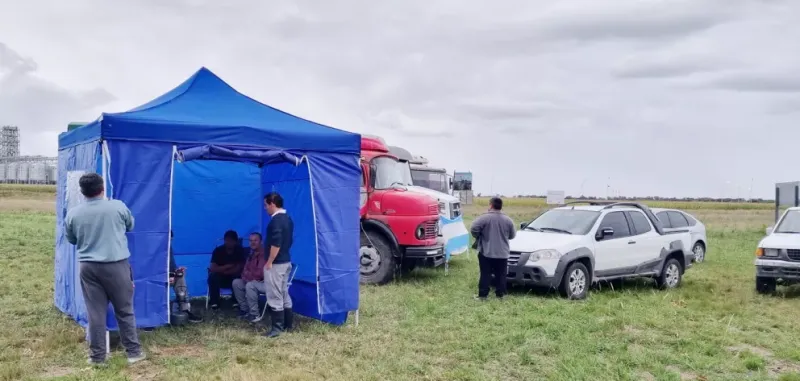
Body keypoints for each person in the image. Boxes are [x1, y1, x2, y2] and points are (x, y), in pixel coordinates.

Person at [64, 173, 145, 366]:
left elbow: (72, 239)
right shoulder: (117, 207)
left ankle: (98, 358)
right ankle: (133, 353)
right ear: (102, 189)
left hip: (88, 268)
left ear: (83, 192)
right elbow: (130, 225)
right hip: (116, 266)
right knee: (124, 310)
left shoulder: (73, 213)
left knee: (95, 313)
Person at [470, 197, 516, 300]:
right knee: (501, 275)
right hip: (503, 253)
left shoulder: (484, 218)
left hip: (486, 252)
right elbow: (512, 235)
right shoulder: (508, 220)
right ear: (501, 206)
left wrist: (479, 235)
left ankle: (483, 296)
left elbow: (473, 228)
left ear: (491, 205)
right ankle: (501, 295)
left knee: (485, 273)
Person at [263, 192, 294, 337]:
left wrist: (269, 261)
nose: (265, 208)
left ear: (272, 204)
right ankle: (288, 325)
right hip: (286, 261)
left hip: (276, 263)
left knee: (274, 294)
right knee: (283, 293)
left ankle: (277, 328)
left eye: (266, 205)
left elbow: (276, 243)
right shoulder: (288, 218)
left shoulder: (276, 221)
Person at [232, 232, 267, 322]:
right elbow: (244, 270)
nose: (253, 243)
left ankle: (255, 314)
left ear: (261, 242)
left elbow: (259, 274)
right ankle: (245, 309)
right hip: (252, 280)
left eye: (255, 240)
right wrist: (247, 276)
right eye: (251, 241)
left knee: (250, 285)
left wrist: (248, 276)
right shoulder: (251, 254)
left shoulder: (264, 255)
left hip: (265, 283)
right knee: (236, 282)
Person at [207, 230, 246, 309]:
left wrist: (222, 270)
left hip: (234, 276)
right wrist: (227, 267)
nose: (228, 242)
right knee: (212, 276)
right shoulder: (218, 250)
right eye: (226, 240)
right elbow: (212, 268)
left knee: (238, 275)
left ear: (235, 241)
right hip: (221, 277)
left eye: (231, 241)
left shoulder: (240, 250)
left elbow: (240, 267)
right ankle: (214, 301)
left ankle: (235, 301)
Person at [168, 231, 202, 323]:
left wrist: (177, 271)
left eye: (171, 240)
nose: (169, 242)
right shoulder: (153, 248)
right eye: (168, 239)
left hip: (168, 276)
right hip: (154, 277)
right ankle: (153, 316)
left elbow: (172, 267)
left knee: (180, 278)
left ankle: (185, 311)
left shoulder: (169, 248)